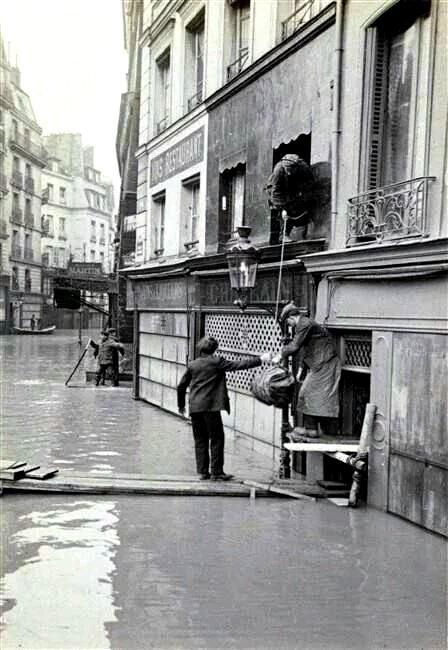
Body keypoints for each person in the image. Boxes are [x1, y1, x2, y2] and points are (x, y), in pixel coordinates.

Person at [177, 336, 272, 481]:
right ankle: (216, 472)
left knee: (200, 439)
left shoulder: (192, 365)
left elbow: (181, 386)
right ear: (215, 349)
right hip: (211, 407)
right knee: (217, 438)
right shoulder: (217, 362)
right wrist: (261, 359)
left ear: (200, 349)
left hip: (195, 407)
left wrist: (181, 405)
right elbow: (239, 365)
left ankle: (202, 472)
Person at [274, 302, 341, 440]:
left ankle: (318, 429)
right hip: (318, 364)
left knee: (310, 393)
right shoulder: (304, 325)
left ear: (291, 318)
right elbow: (306, 348)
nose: (289, 325)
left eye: (287, 322)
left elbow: (295, 346)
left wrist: (280, 355)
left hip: (326, 364)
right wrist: (301, 369)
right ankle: (311, 428)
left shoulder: (304, 324)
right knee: (307, 393)